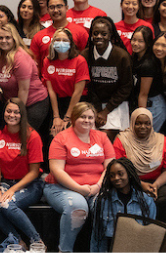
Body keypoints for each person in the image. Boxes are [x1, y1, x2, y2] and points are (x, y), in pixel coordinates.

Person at [44, 102, 115, 252]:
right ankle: (65, 250)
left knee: (105, 206)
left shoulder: (102, 137)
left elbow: (111, 166)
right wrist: (79, 189)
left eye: (90, 117)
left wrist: (98, 186)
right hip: (61, 187)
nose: (87, 120)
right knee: (78, 208)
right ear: (74, 118)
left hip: (95, 188)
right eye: (83, 117)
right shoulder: (61, 138)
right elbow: (57, 170)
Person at [0, 98, 44, 245]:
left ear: (22, 114)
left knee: (7, 204)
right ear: (4, 112)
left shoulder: (32, 136)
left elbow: (34, 172)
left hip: (31, 184)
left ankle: (37, 242)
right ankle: (17, 241)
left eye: (16, 112)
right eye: (9, 111)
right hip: (7, 182)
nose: (12, 115)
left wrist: (12, 190)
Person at [112, 108, 166, 234]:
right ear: (132, 124)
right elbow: (119, 169)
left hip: (157, 181)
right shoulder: (122, 140)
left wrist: (155, 185)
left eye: (147, 123)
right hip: (129, 181)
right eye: (138, 123)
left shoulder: (162, 141)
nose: (143, 127)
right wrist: (141, 185)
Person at [0, 24, 51, 148]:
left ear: (14, 39)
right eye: (0, 38)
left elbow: (24, 90)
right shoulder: (0, 56)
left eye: (8, 38)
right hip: (12, 102)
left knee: (23, 138)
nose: (4, 41)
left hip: (33, 103)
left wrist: (17, 114)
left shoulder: (20, 57)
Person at [89, 158, 157, 252]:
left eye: (120, 174)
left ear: (129, 174)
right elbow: (97, 235)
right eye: (112, 175)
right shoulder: (103, 201)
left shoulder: (146, 201)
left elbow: (150, 234)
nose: (116, 178)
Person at [84, 17, 133, 139]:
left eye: (104, 34)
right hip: (93, 104)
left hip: (116, 104)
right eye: (95, 33)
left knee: (105, 137)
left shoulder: (122, 56)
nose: (99, 36)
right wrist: (96, 110)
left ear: (110, 35)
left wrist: (106, 111)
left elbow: (126, 87)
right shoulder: (85, 55)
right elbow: (86, 86)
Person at [43, 28, 89, 136]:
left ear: (71, 43)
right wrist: (56, 117)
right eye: (57, 40)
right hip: (57, 104)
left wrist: (67, 117)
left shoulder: (79, 60)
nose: (61, 43)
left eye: (64, 40)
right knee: (54, 133)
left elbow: (78, 92)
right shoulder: (48, 61)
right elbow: (51, 91)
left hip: (76, 103)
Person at [31, 0, 89, 66]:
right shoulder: (39, 36)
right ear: (48, 10)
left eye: (59, 6)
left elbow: (86, 57)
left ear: (66, 8)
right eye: (52, 7)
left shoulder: (80, 32)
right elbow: (35, 65)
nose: (55, 10)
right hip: (47, 76)